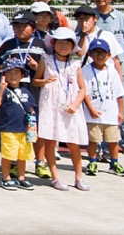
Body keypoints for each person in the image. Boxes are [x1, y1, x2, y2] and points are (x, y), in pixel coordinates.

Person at [35, 27, 90, 191]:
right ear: (53, 43)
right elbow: (36, 80)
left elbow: (82, 89)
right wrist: (44, 82)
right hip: (50, 104)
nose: (64, 46)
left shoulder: (75, 64)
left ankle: (79, 176)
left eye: (68, 43)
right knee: (50, 142)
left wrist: (75, 104)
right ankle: (55, 177)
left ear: (73, 46)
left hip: (69, 106)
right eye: (60, 42)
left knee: (73, 143)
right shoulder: (46, 59)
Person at [0, 10, 49, 178]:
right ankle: (12, 162)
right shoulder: (8, 45)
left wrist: (36, 68)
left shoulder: (42, 45)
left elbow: (52, 69)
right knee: (14, 128)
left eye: (24, 26)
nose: (19, 29)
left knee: (36, 127)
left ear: (33, 28)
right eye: (16, 26)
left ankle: (40, 163)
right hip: (12, 94)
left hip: (35, 92)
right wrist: (7, 69)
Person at [90, 0, 124, 151]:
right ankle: (101, 145)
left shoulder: (122, 18)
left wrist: (123, 58)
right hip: (95, 70)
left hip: (119, 69)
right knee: (100, 105)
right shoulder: (89, 17)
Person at [82, 39, 124, 177]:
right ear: (90, 54)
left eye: (103, 53)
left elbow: (119, 94)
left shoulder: (112, 71)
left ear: (108, 55)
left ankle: (114, 162)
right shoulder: (85, 70)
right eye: (96, 52)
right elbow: (85, 92)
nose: (99, 56)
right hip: (94, 113)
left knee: (113, 140)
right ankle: (92, 161)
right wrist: (91, 109)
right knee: (93, 140)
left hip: (111, 113)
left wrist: (121, 112)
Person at [0, 58, 36, 190]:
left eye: (17, 72)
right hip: (9, 129)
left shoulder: (26, 92)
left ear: (22, 75)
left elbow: (31, 110)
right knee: (8, 155)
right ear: (4, 75)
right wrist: (0, 90)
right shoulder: (4, 91)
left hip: (24, 130)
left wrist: (33, 128)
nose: (13, 75)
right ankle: (6, 177)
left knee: (23, 155)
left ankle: (21, 177)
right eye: (9, 72)